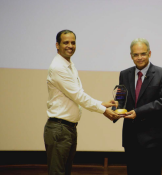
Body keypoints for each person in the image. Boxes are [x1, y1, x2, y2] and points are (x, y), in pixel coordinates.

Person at [45, 29, 120, 175]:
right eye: (66, 42)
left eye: (73, 42)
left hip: (68, 129)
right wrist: (103, 110)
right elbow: (79, 96)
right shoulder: (59, 67)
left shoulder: (69, 64)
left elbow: (78, 95)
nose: (70, 46)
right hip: (59, 129)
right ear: (57, 45)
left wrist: (102, 103)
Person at [117, 38, 162, 175]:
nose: (139, 57)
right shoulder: (124, 74)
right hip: (131, 136)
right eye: (136, 54)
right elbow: (121, 99)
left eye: (143, 54)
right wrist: (114, 111)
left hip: (153, 137)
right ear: (131, 56)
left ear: (149, 53)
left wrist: (138, 112)